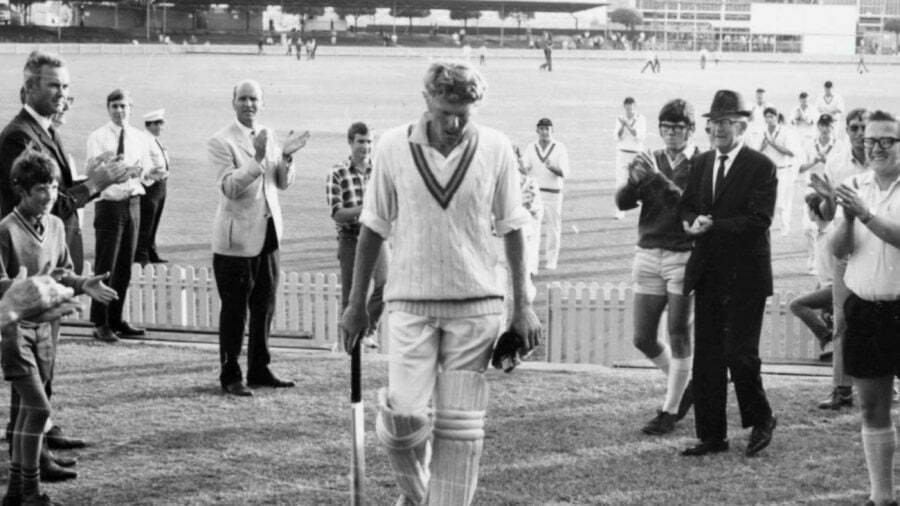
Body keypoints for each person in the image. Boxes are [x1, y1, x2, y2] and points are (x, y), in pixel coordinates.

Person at [340, 60, 541, 506]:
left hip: (477, 306)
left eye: (463, 114)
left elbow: (512, 225)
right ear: (426, 100)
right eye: (444, 111)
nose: (453, 123)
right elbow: (373, 226)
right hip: (410, 303)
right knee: (402, 426)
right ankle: (419, 498)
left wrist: (522, 305)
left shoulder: (496, 147)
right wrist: (356, 304)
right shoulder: (392, 146)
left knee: (459, 431)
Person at [0, 51, 129, 479]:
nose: (62, 94)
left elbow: (57, 196)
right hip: (30, 272)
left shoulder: (44, 131)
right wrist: (96, 185)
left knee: (44, 363)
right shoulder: (17, 139)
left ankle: (41, 437)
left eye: (66, 87)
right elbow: (41, 203)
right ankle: (32, 462)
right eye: (54, 85)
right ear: (28, 89)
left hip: (50, 265)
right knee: (33, 367)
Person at [0, 149, 118, 505]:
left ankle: (17, 492)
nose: (50, 195)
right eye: (41, 189)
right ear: (21, 190)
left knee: (26, 410)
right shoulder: (5, 231)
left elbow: (63, 270)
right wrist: (30, 287)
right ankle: (32, 490)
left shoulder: (53, 225)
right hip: (14, 331)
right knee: (39, 409)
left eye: (53, 187)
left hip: (46, 329)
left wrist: (83, 284)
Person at [679, 89, 778, 457]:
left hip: (746, 276)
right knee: (707, 358)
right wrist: (691, 223)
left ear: (742, 125)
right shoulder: (702, 163)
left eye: (724, 123)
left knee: (740, 354)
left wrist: (711, 224)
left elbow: (759, 220)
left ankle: (761, 418)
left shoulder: (760, 166)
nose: (716, 129)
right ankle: (712, 436)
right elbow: (687, 206)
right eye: (713, 123)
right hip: (708, 274)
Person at [208, 79, 310, 397]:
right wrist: (257, 159)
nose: (249, 104)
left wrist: (287, 158)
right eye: (243, 99)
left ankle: (259, 369)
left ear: (262, 103)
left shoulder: (268, 134)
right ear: (233, 102)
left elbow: (281, 183)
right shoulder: (221, 141)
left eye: (254, 99)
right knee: (235, 310)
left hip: (268, 234)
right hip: (236, 240)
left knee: (264, 305)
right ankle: (231, 374)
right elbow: (230, 188)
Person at [827, 110, 900, 506]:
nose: (877, 147)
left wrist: (866, 214)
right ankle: (881, 497)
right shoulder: (855, 185)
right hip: (866, 311)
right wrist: (849, 220)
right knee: (873, 406)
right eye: (871, 140)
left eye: (887, 140)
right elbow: (839, 251)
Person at [615, 99, 699, 435]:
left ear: (690, 130)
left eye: (679, 127)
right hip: (649, 252)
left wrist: (655, 177)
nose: (672, 133)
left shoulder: (701, 164)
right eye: (667, 127)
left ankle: (670, 409)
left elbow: (689, 207)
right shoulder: (650, 158)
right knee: (643, 338)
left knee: (678, 333)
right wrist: (634, 181)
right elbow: (622, 202)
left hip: (683, 253)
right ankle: (685, 385)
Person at [807, 107, 870, 410]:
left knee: (886, 318)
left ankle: (886, 382)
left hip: (883, 252)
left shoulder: (888, 160)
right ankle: (841, 390)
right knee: (842, 320)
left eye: (864, 127)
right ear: (846, 131)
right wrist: (828, 199)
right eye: (854, 128)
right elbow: (827, 214)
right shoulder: (837, 162)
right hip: (846, 250)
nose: (859, 133)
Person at [85, 89, 159, 343]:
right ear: (108, 109)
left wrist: (141, 171)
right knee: (106, 265)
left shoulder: (140, 137)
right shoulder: (98, 136)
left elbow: (148, 169)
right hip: (110, 204)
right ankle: (100, 322)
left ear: (131, 108)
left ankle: (116, 319)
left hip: (133, 202)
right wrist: (118, 171)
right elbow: (95, 169)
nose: (119, 111)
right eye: (114, 106)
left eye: (123, 106)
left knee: (125, 267)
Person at [326, 122, 384, 350]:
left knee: (386, 284)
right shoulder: (337, 172)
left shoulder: (379, 170)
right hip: (351, 239)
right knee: (351, 296)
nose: (366, 146)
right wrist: (367, 208)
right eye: (361, 141)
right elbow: (338, 214)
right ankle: (347, 349)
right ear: (350, 142)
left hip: (379, 237)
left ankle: (369, 331)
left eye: (369, 141)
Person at [518, 118, 569, 270]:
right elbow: (525, 170)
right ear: (537, 131)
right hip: (535, 194)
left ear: (552, 131)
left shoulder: (560, 148)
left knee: (553, 228)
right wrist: (518, 161)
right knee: (533, 229)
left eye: (547, 129)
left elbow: (564, 172)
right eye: (541, 129)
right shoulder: (531, 147)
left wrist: (552, 167)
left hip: (553, 193)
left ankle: (551, 260)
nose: (544, 132)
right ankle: (532, 264)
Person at [135, 109, 169, 266]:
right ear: (151, 125)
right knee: (146, 223)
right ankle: (141, 256)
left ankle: (151, 251)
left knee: (154, 221)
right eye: (159, 124)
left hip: (160, 185)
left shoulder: (154, 139)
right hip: (150, 186)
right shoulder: (144, 140)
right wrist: (150, 175)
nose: (161, 127)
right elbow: (141, 162)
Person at [759, 107, 799, 236]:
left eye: (771, 116)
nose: (769, 119)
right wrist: (763, 145)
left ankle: (785, 226)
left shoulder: (785, 131)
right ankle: (766, 225)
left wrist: (773, 143)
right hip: (768, 172)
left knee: (782, 202)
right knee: (766, 200)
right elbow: (757, 152)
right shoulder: (763, 131)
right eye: (767, 116)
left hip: (784, 170)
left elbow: (791, 152)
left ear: (777, 117)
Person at [613, 97, 647, 220]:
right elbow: (617, 137)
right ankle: (619, 210)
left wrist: (627, 124)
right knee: (621, 182)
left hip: (636, 154)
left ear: (635, 107)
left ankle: (643, 209)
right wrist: (622, 126)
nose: (629, 112)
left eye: (631, 109)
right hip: (623, 153)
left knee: (638, 182)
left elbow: (638, 136)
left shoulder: (641, 119)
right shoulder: (620, 119)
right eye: (627, 109)